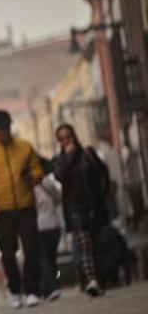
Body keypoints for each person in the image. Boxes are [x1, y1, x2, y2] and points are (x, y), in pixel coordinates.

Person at [0, 109, 43, 309]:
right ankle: (14, 290)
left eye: (8, 128)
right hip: (0, 210)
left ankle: (32, 291)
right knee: (8, 251)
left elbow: (38, 169)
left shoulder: (24, 147)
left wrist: (33, 177)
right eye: (2, 129)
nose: (5, 132)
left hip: (25, 205)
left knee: (31, 248)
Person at [52, 124, 110, 297]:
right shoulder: (60, 160)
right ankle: (91, 280)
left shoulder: (88, 153)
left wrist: (102, 195)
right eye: (61, 139)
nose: (65, 141)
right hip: (74, 210)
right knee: (85, 246)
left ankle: (98, 281)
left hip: (93, 207)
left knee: (96, 246)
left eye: (68, 137)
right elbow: (59, 175)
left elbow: (103, 175)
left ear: (74, 136)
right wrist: (68, 157)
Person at [34, 157, 63, 300]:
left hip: (39, 227)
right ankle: (49, 287)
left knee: (43, 259)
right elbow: (58, 198)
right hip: (54, 225)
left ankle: (52, 288)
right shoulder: (48, 182)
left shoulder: (30, 186)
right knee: (51, 259)